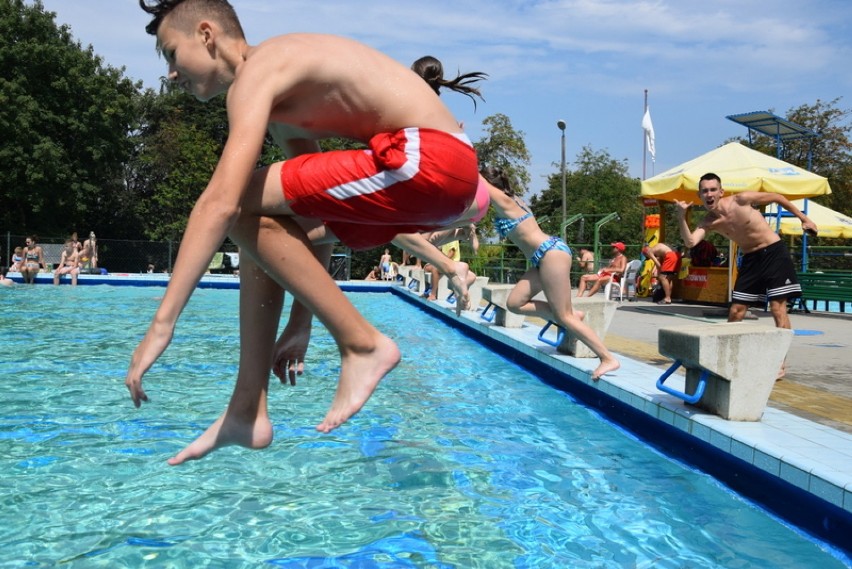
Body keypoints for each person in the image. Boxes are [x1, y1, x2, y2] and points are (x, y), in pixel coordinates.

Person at [128, 0, 483, 465]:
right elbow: (308, 223)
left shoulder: (261, 70)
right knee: (257, 226)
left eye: (171, 53)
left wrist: (161, 325)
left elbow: (219, 202)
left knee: (234, 203)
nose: (172, 74)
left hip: (429, 161)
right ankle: (246, 410)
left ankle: (363, 344)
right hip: (437, 180)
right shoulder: (278, 105)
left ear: (207, 34)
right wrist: (301, 321)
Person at [481, 166, 620, 380]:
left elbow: (476, 180)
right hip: (542, 257)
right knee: (515, 303)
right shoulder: (512, 198)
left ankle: (607, 357)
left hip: (550, 254)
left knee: (563, 315)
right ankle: (572, 316)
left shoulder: (505, 201)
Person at [675, 172, 818, 379]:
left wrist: (803, 218)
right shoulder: (708, 221)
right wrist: (680, 217)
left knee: (778, 309)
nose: (709, 194)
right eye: (705, 191)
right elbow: (690, 242)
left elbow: (778, 197)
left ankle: (780, 362)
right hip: (751, 259)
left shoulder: (741, 200)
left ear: (721, 192)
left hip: (774, 252)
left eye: (713, 189)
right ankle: (726, 357)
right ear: (700, 196)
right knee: (736, 311)